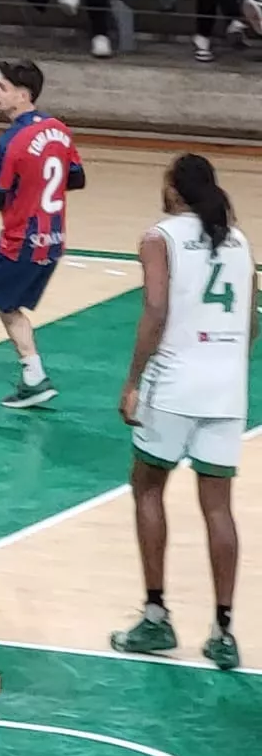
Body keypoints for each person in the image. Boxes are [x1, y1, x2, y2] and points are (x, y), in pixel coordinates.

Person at [114, 154, 254, 672]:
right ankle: (223, 630)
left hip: (174, 381)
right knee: (218, 507)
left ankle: (156, 615)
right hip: (227, 387)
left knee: (147, 487)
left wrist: (133, 380)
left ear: (174, 190)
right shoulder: (239, 240)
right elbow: (252, 320)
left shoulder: (160, 237)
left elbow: (156, 309)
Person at [0, 59, 84, 414]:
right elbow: (76, 178)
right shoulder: (59, 129)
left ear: (23, 95)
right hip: (52, 240)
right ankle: (34, 377)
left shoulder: (11, 141)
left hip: (18, 241)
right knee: (7, 304)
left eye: (3, 88)